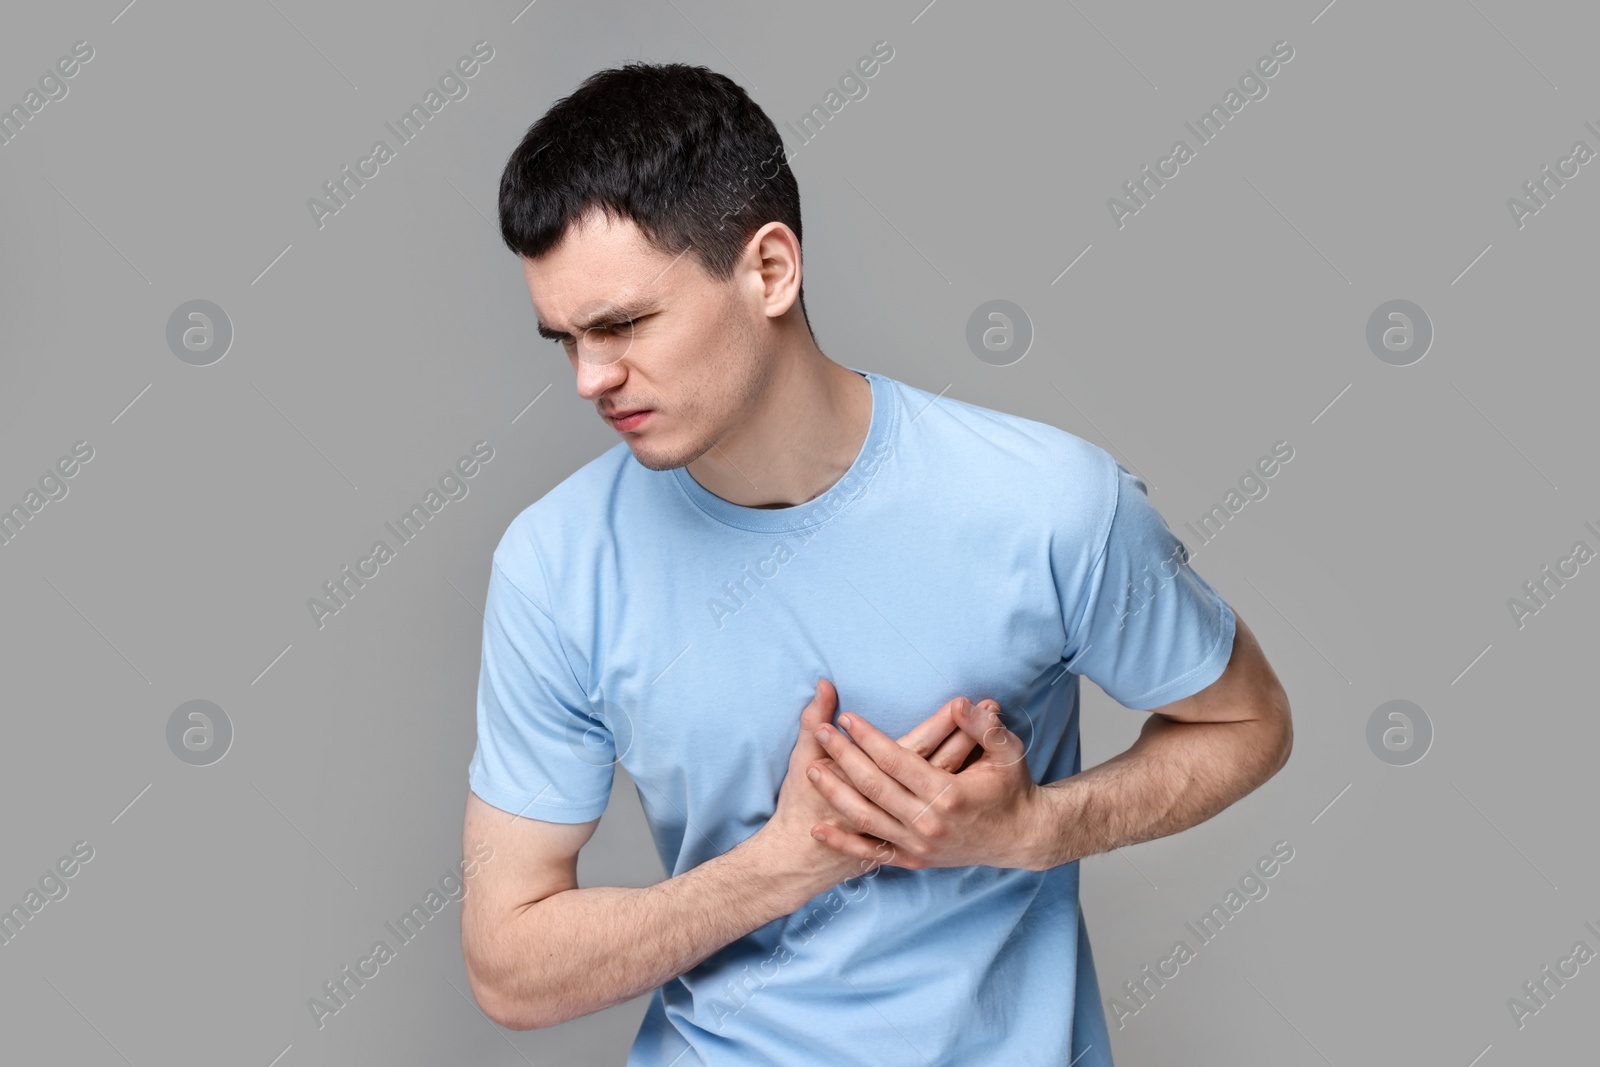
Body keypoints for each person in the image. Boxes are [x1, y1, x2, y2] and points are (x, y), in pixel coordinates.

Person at [461, 61, 1292, 1066]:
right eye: (564, 340)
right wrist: (780, 864)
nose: (590, 377)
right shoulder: (554, 565)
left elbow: (1248, 721)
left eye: (622, 325)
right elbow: (507, 963)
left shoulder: (1049, 505)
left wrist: (1033, 827)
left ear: (770, 269)